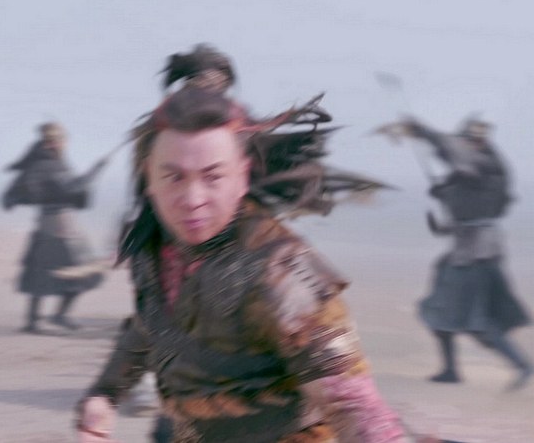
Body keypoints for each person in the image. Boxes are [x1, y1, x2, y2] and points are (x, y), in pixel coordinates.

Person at [75, 83, 432, 442]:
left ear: (242, 176)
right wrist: (105, 394)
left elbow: (352, 402)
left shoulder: (281, 272)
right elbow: (149, 326)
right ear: (149, 177)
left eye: (213, 176)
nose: (192, 199)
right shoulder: (154, 248)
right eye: (174, 177)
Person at [395, 116, 534, 391]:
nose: (468, 146)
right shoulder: (473, 174)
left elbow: (455, 155)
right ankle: (451, 370)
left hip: (476, 256)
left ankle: (522, 365)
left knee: (477, 322)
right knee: (437, 313)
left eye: (472, 141)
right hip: (465, 254)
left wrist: (423, 131)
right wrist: (442, 219)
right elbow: (467, 215)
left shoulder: (486, 165)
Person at [2, 122, 107, 333]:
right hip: (58, 231)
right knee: (71, 273)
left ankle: (43, 319)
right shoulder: (47, 166)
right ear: (50, 143)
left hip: (56, 227)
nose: (60, 144)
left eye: (61, 140)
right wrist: (96, 171)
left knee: (46, 275)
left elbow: (70, 192)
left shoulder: (52, 164)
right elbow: (72, 188)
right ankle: (45, 319)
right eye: (57, 140)